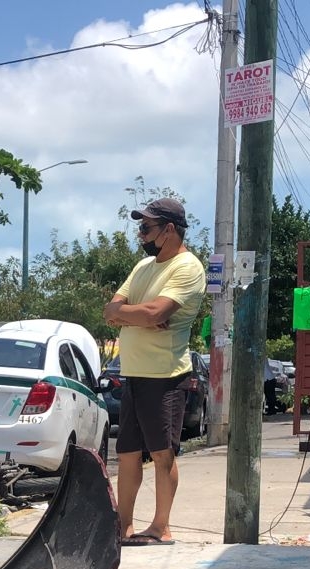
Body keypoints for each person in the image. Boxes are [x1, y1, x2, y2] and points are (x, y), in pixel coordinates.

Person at [104, 197, 207, 546]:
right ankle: (124, 526)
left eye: (146, 227)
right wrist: (140, 315)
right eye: (140, 227)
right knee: (127, 452)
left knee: (163, 453)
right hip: (133, 372)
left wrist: (138, 315)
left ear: (169, 230)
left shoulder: (187, 267)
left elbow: (154, 313)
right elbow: (111, 310)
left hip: (165, 376)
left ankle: (161, 526)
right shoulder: (144, 266)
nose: (140, 233)